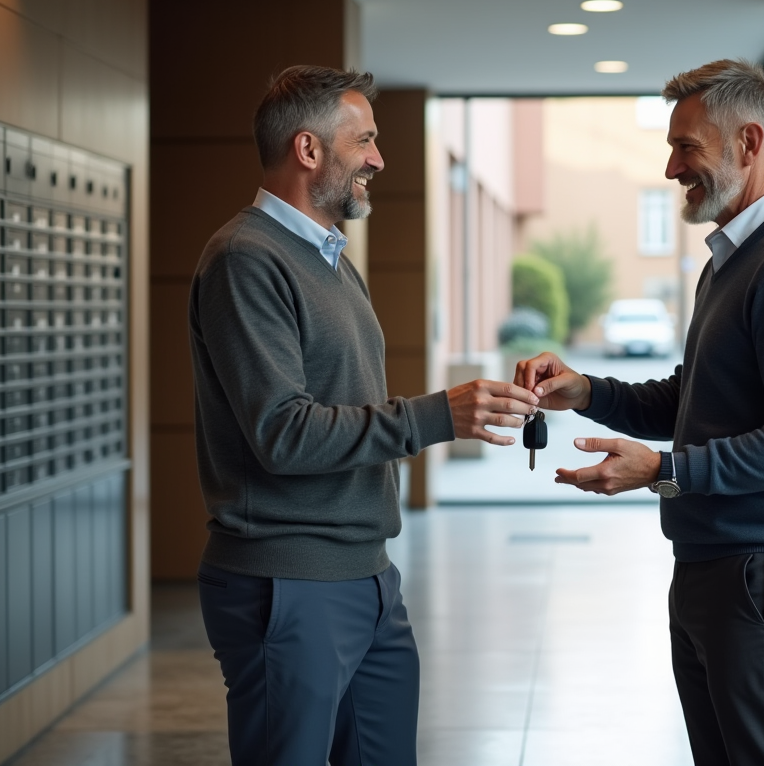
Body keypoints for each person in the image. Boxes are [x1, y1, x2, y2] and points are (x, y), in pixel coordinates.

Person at [515, 59, 764, 766]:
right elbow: (694, 396)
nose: (672, 167)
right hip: (720, 566)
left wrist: (663, 471)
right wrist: (587, 392)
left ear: (748, 143)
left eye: (687, 147)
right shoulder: (732, 261)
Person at [188, 65, 538, 766]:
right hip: (287, 584)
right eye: (364, 141)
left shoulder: (332, 260)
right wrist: (436, 416)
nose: (378, 158)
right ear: (309, 150)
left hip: (368, 577)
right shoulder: (245, 259)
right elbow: (282, 433)